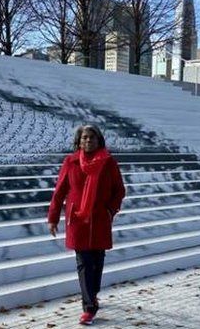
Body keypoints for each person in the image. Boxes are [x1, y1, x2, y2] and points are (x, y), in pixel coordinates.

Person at [47, 125, 126, 326]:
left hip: (99, 220)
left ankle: (93, 294)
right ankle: (89, 308)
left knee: (97, 262)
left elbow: (119, 190)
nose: (88, 141)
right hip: (78, 221)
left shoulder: (108, 163)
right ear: (79, 141)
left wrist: (110, 210)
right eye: (84, 138)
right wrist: (53, 218)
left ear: (99, 140)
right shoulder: (70, 162)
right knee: (83, 263)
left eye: (92, 137)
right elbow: (59, 191)